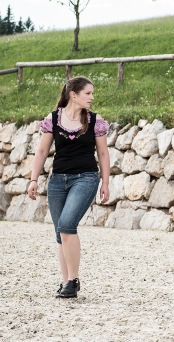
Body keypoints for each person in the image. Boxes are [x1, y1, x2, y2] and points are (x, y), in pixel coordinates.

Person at [27, 76, 111, 298]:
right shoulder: (53, 119)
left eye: (92, 93)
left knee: (66, 225)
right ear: (74, 95)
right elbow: (42, 151)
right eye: (88, 93)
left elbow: (103, 153)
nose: (92, 97)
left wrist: (106, 182)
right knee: (60, 234)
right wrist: (34, 179)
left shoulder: (95, 121)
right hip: (57, 180)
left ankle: (73, 280)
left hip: (86, 178)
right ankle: (66, 283)